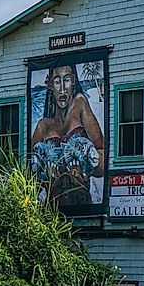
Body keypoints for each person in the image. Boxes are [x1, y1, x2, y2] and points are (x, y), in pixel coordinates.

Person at [31, 63, 105, 206]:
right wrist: (47, 176)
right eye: (57, 82)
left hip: (82, 202)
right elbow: (30, 172)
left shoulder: (80, 104)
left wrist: (86, 166)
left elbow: (102, 158)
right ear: (51, 85)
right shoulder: (43, 126)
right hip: (52, 209)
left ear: (73, 81)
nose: (63, 89)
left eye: (67, 80)